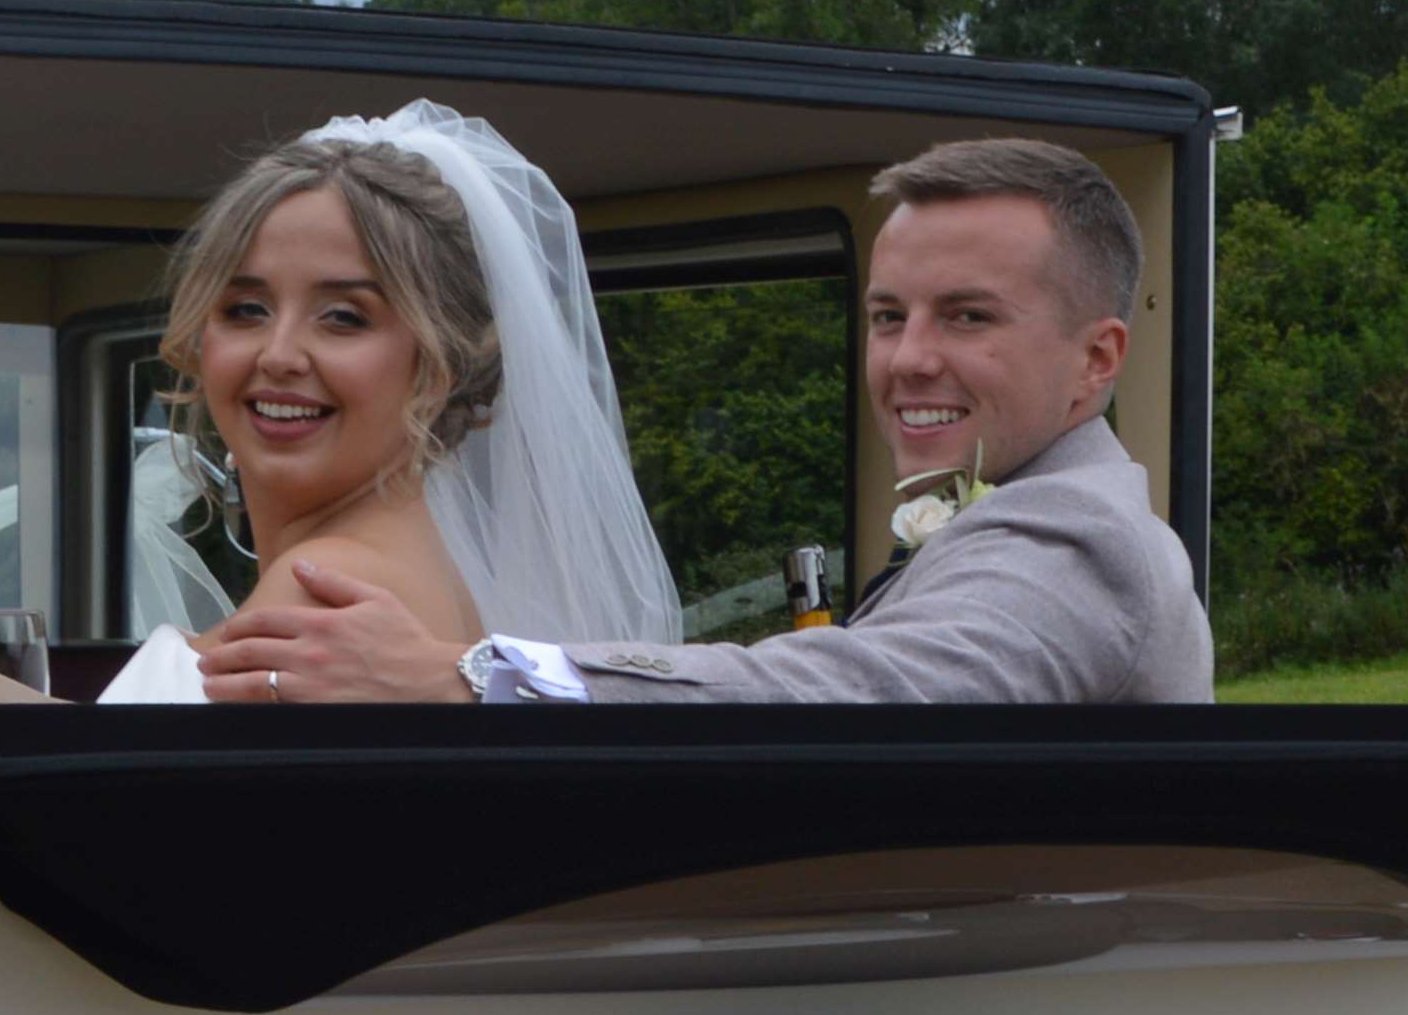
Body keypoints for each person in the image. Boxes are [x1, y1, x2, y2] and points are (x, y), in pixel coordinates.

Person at [0, 104, 674, 714]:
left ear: (438, 364)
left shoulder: (329, 602)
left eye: (345, 317)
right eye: (245, 307)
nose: (279, 355)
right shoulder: (424, 577)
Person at [205, 132, 1208, 705]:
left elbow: (855, 694)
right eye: (887, 316)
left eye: (969, 317)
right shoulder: (1008, 511)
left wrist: (474, 678)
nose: (910, 360)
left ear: (1097, 358)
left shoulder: (1074, 536)